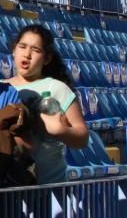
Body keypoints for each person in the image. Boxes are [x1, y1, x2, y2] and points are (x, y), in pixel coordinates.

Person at [7, 25, 88, 184]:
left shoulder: (57, 88)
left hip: (50, 187)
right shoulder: (0, 88)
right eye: (22, 46)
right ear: (14, 49)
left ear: (47, 58)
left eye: (36, 50)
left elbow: (82, 138)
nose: (27, 54)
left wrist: (61, 130)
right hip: (10, 189)